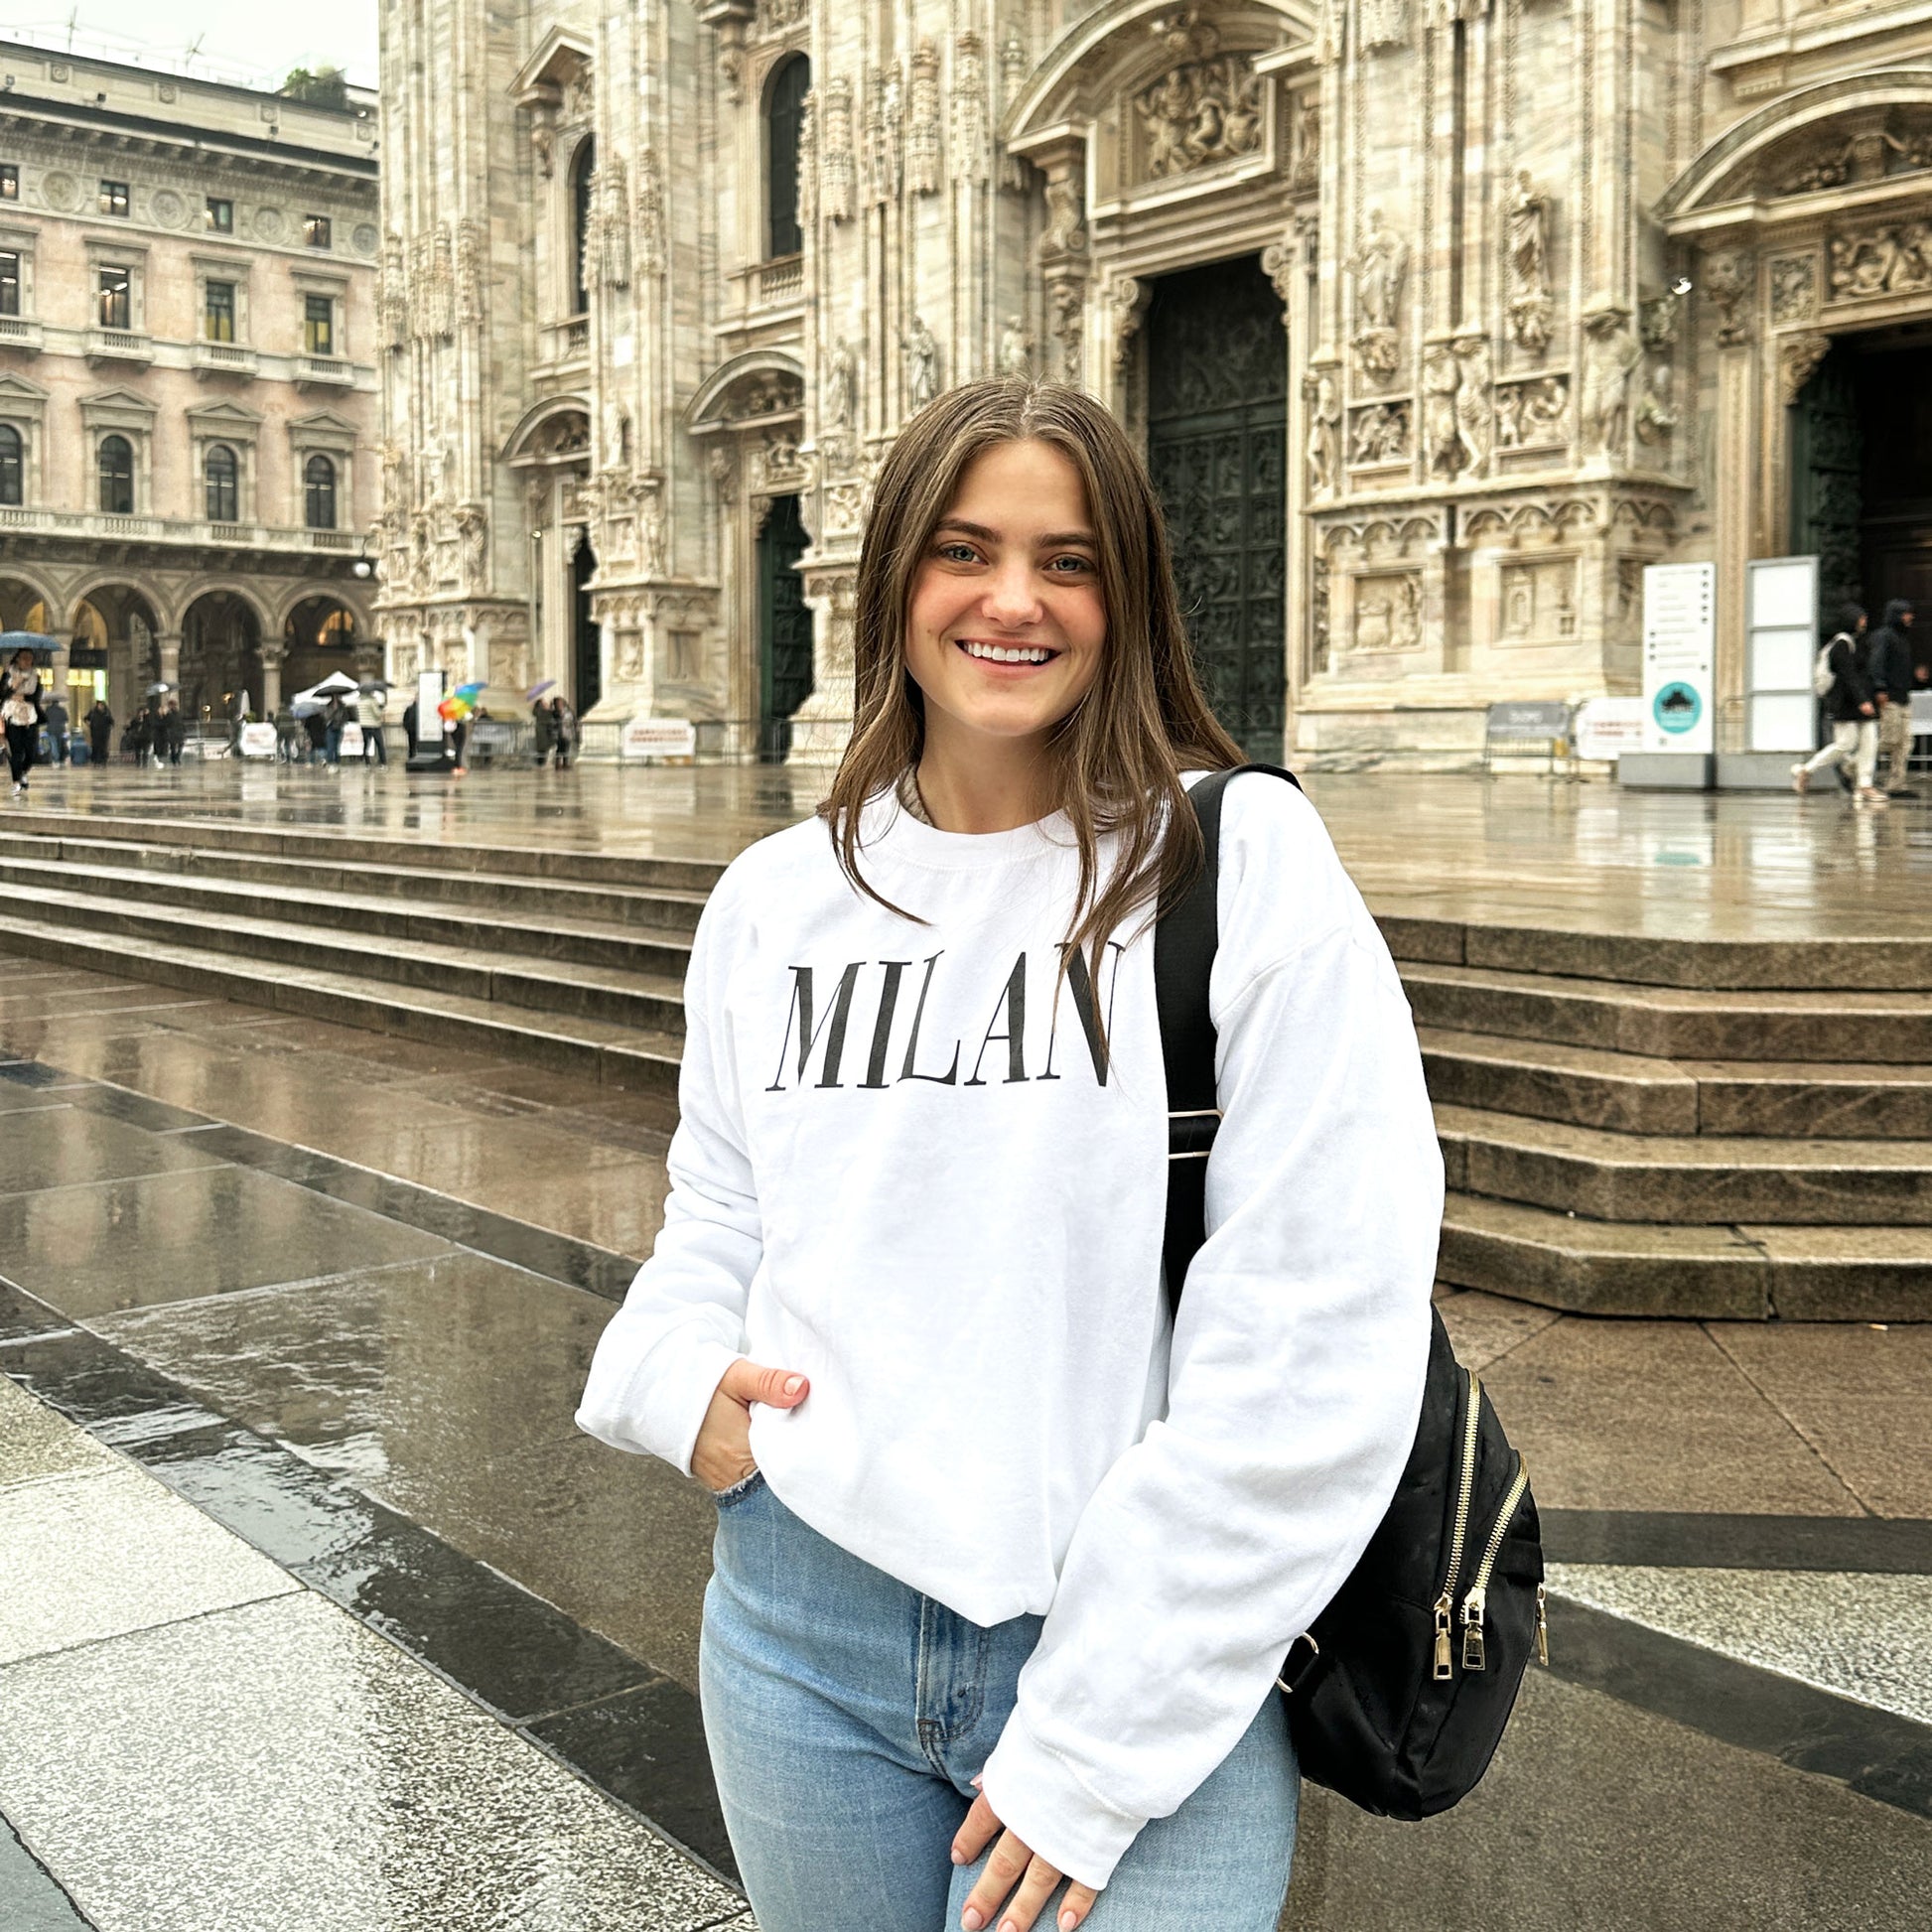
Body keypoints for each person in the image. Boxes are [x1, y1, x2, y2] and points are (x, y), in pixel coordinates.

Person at [576, 379, 1441, 1932]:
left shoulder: (1238, 865)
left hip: (1134, 1650)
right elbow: (719, 1206)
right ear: (894, 577)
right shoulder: (775, 898)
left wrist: (1096, 1744)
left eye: (1072, 559)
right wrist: (679, 1389)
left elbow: (1320, 1331)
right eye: (965, 549)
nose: (1013, 600)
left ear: (1130, 599)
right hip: (797, 1629)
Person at [1793, 604, 1885, 807]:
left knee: (1870, 742)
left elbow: (1863, 675)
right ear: (1852, 619)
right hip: (1846, 704)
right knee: (1845, 744)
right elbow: (1848, 676)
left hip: (1861, 702)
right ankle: (1806, 769)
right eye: (1861, 618)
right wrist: (1862, 701)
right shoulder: (1841, 645)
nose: (1864, 622)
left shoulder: (1856, 642)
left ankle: (1864, 784)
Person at [1868, 599, 1918, 799]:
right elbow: (1877, 663)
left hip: (1902, 696)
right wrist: (1880, 687)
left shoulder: (1901, 639)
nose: (1910, 617)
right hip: (1890, 697)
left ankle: (1896, 783)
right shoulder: (1884, 637)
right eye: (1906, 613)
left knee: (1905, 742)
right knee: (1889, 739)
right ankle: (1853, 765)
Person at [3, 646, 42, 798]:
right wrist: (15, 685)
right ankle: (16, 782)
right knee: (17, 752)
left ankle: (23, 772)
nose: (27, 661)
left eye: (30, 658)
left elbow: (36, 696)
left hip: (30, 717)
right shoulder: (8, 674)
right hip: (12, 716)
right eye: (24, 658)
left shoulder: (35, 676)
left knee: (31, 752)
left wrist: (22, 698)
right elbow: (3, 694)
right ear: (17, 659)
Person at [360, 688, 388, 765]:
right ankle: (382, 762)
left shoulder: (359, 701)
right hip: (374, 725)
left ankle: (367, 762)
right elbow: (377, 714)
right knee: (380, 744)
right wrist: (382, 710)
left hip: (364, 725)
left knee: (366, 744)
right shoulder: (372, 701)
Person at [550, 693, 578, 769]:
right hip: (558, 733)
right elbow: (552, 723)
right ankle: (558, 763)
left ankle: (565, 763)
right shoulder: (554, 713)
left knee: (566, 748)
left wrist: (574, 728)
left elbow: (573, 720)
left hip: (567, 733)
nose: (559, 705)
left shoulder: (568, 712)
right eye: (557, 703)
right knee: (559, 749)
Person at [43, 693, 69, 767]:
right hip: (60, 729)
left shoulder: (48, 709)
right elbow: (66, 719)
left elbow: (44, 719)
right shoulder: (62, 710)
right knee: (59, 745)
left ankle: (56, 760)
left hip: (50, 729)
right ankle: (59, 760)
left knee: (53, 745)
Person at [532, 694, 558, 768]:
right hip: (544, 732)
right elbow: (550, 715)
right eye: (543, 702)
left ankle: (541, 762)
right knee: (543, 749)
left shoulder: (537, 710)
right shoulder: (542, 711)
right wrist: (550, 706)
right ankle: (541, 762)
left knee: (541, 748)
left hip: (542, 731)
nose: (545, 703)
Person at [85, 699, 113, 766]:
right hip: (95, 733)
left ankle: (103, 761)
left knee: (103, 747)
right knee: (96, 747)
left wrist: (109, 728)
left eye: (102, 705)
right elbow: (86, 718)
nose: (101, 706)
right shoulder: (93, 712)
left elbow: (111, 721)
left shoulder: (107, 712)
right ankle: (96, 761)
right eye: (99, 705)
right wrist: (89, 724)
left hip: (104, 733)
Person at [323, 694, 347, 765]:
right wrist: (334, 710)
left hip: (339, 726)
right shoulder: (328, 706)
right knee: (330, 746)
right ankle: (330, 762)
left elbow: (346, 716)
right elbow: (326, 717)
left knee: (337, 746)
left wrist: (342, 722)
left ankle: (337, 762)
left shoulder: (342, 706)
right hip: (330, 727)